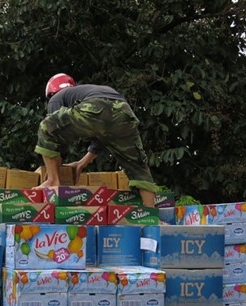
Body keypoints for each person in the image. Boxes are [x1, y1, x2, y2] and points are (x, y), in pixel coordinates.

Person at [34, 73, 157, 207]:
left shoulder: (56, 97)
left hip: (96, 106)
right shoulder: (85, 91)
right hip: (124, 112)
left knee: (46, 127)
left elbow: (55, 135)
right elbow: (102, 138)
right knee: (138, 167)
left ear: (51, 93)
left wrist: (54, 171)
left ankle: (53, 182)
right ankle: (151, 215)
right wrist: (81, 163)